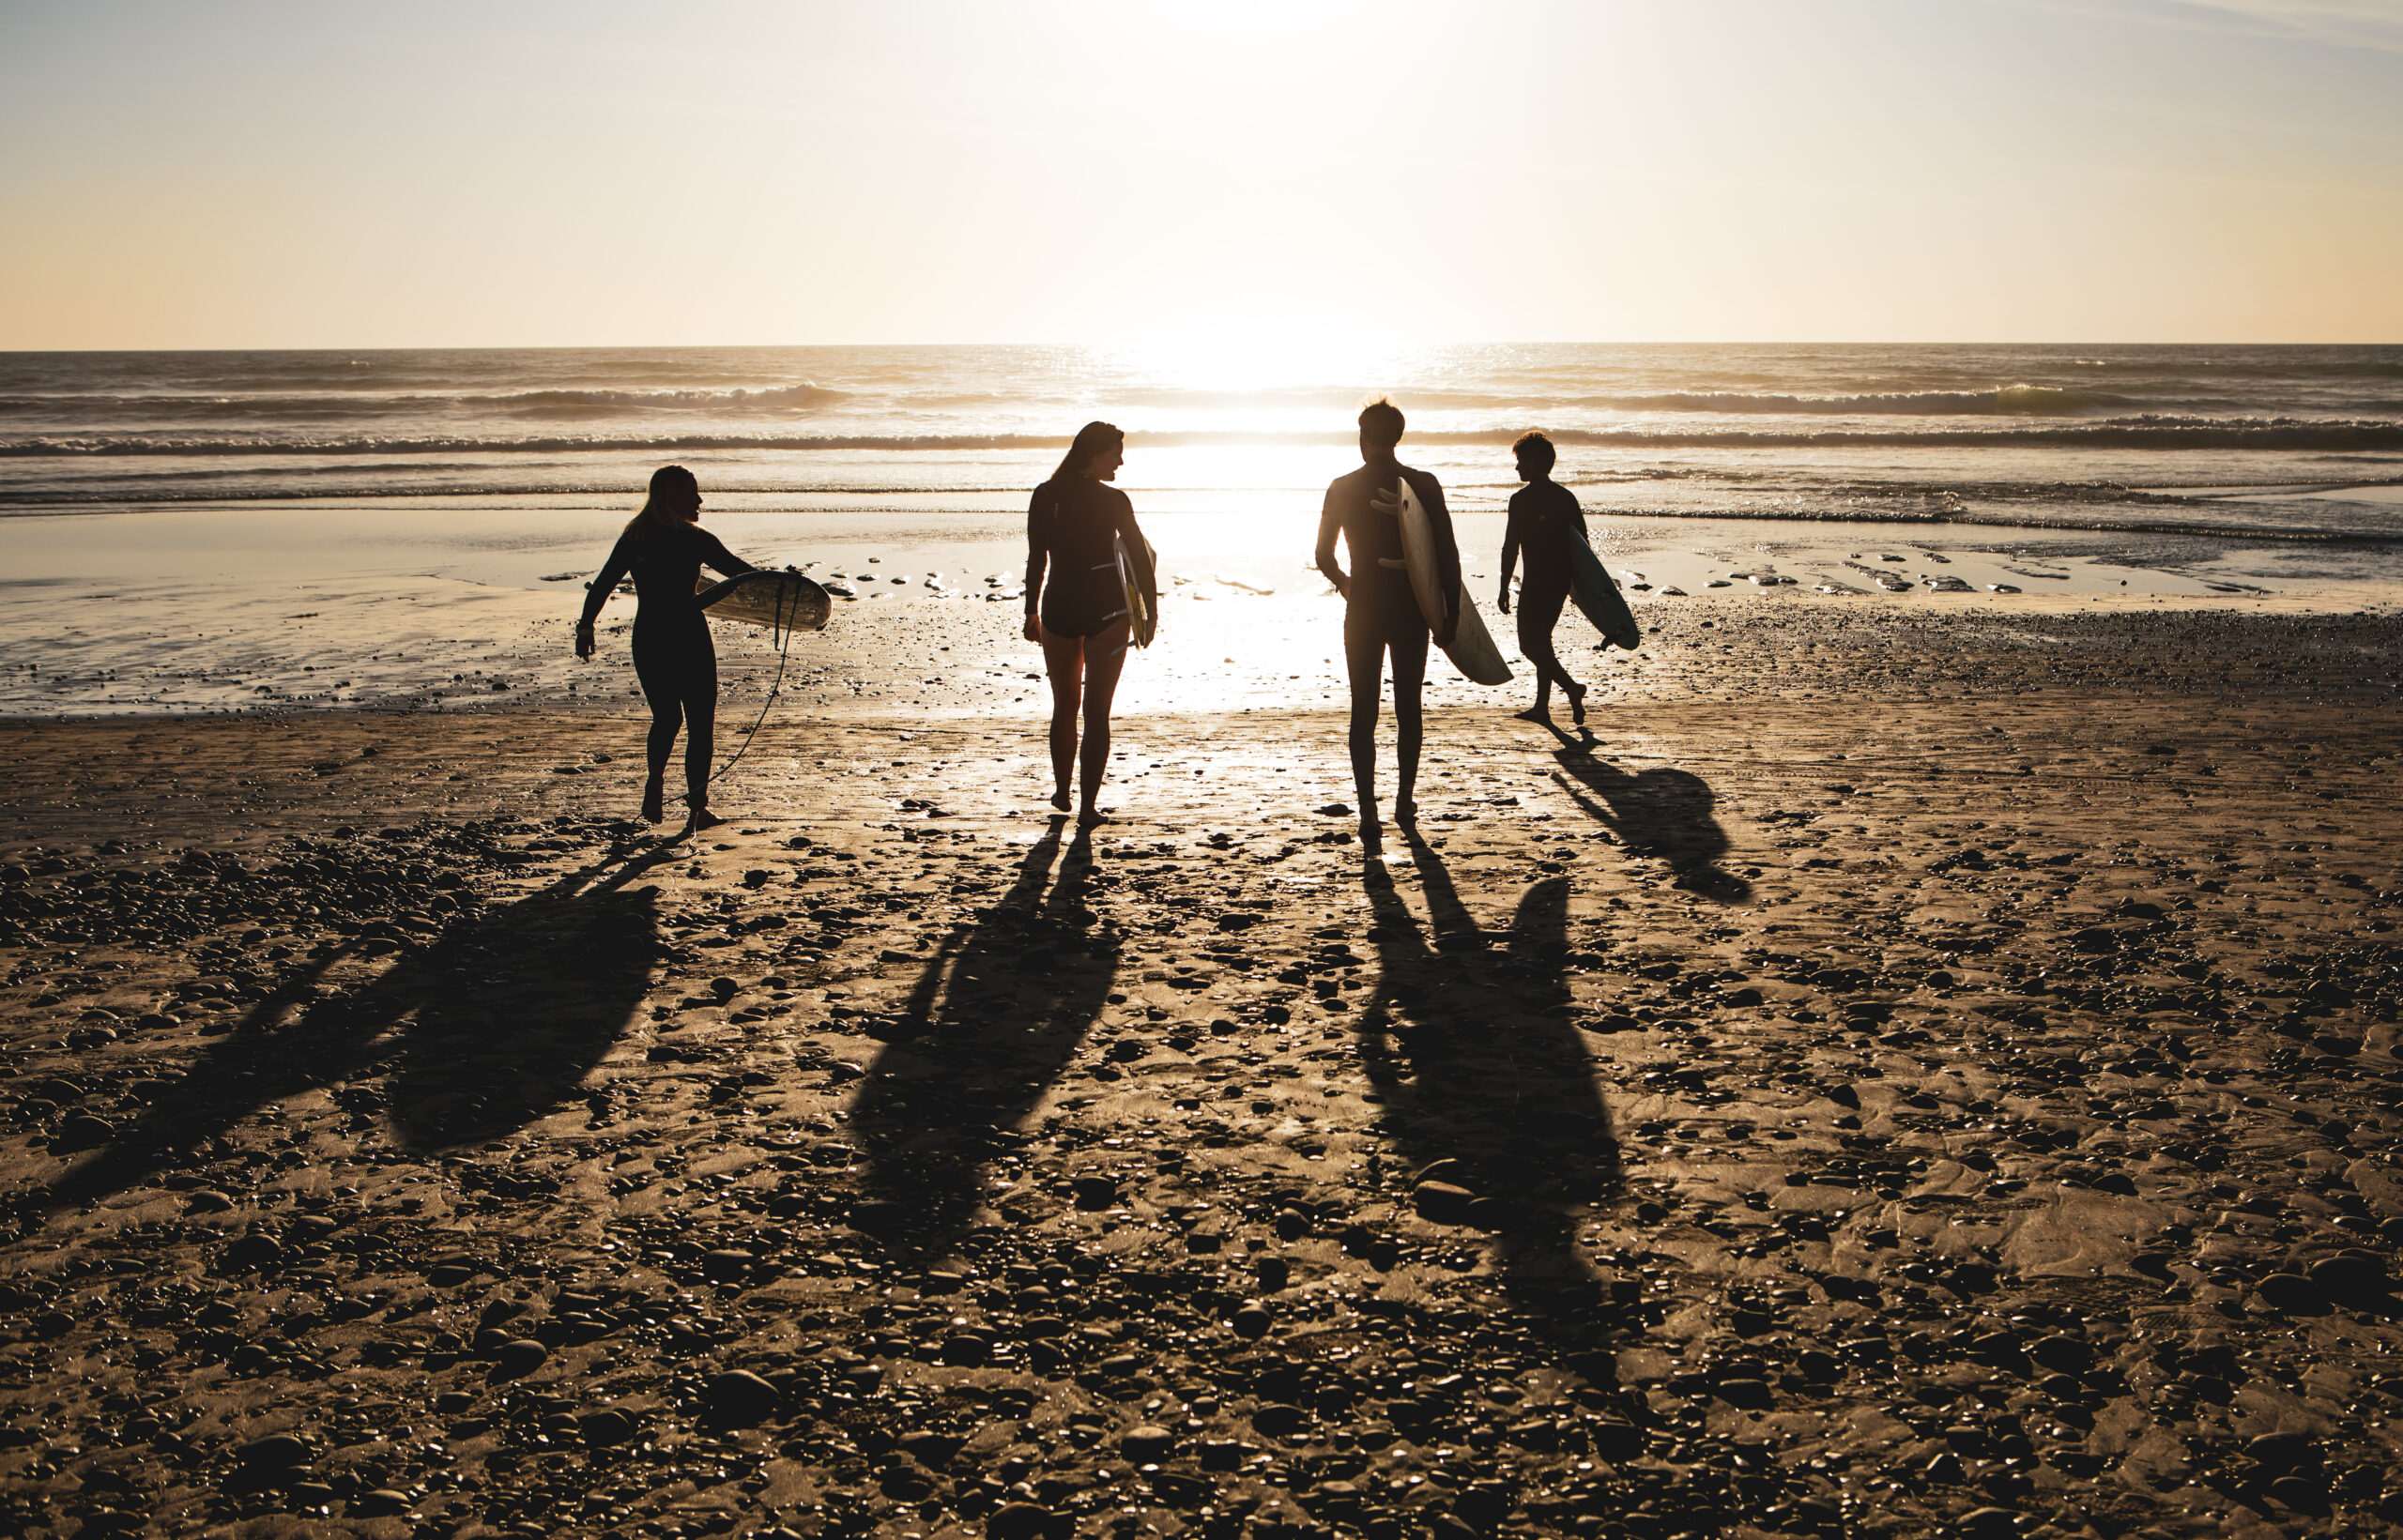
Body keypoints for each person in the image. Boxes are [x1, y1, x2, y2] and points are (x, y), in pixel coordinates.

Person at [574, 465, 755, 831]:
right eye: (693, 492)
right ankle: (697, 809)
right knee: (700, 725)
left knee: (667, 718)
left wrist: (586, 626)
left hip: (650, 636)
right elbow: (742, 574)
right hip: (688, 636)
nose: (700, 499)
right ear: (674, 496)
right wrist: (788, 586)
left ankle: (655, 780)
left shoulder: (634, 537)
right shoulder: (697, 539)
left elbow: (603, 584)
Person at [1314, 398, 1459, 840]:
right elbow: (1446, 555)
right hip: (1411, 608)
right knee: (1408, 708)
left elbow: (1323, 556)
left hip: (1365, 608)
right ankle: (1404, 801)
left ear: (1363, 437)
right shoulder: (1424, 484)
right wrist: (1447, 616)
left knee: (1364, 711)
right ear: (1397, 437)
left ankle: (1367, 812)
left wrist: (1345, 583)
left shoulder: (1340, 487)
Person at [1025, 421, 1153, 826]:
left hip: (1059, 608)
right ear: (1093, 454)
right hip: (1108, 613)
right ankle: (1086, 809)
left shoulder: (1045, 495)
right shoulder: (1114, 500)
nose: (1120, 460)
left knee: (1065, 706)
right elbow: (1140, 558)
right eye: (1115, 451)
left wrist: (1031, 611)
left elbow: (1036, 559)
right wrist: (1149, 612)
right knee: (1097, 712)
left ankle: (1063, 790)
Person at [1496, 430, 1590, 726]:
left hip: (1536, 583)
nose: (1517, 468)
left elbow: (1510, 545)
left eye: (1521, 461)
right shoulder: (1565, 498)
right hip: (1559, 582)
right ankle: (1542, 706)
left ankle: (1571, 687)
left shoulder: (1520, 500)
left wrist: (1503, 586)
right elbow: (1584, 547)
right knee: (1542, 642)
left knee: (1529, 645)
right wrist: (1579, 587)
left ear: (1536, 462)